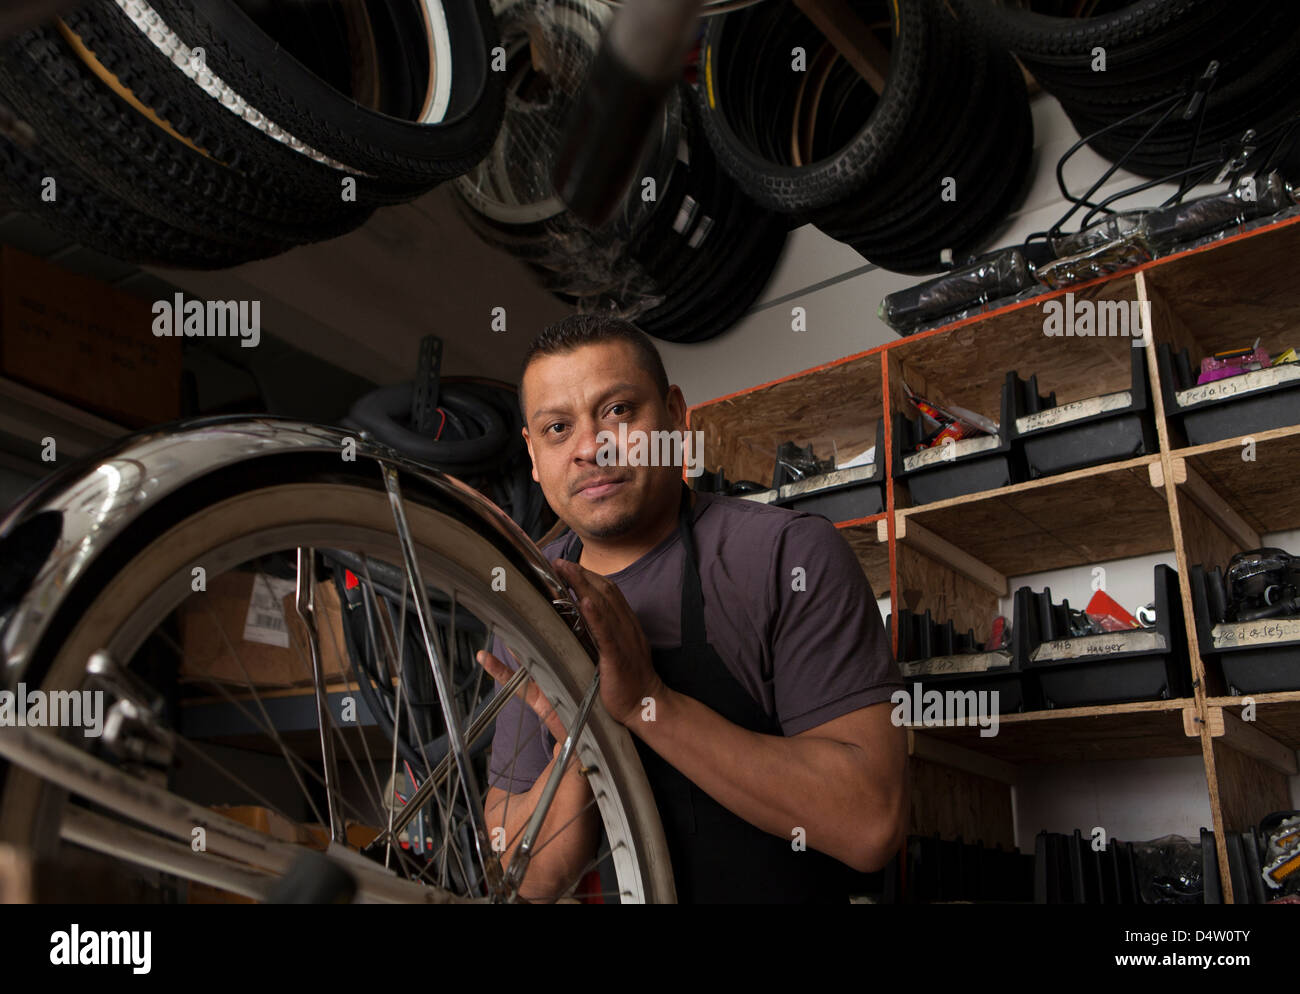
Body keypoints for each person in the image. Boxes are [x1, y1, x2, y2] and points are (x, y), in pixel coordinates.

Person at [476, 313, 906, 903]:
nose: (588, 447)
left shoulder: (784, 556)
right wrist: (585, 744)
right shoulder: (532, 596)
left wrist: (648, 702)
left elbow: (870, 823)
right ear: (532, 453)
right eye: (556, 428)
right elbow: (529, 883)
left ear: (676, 416)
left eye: (619, 411)